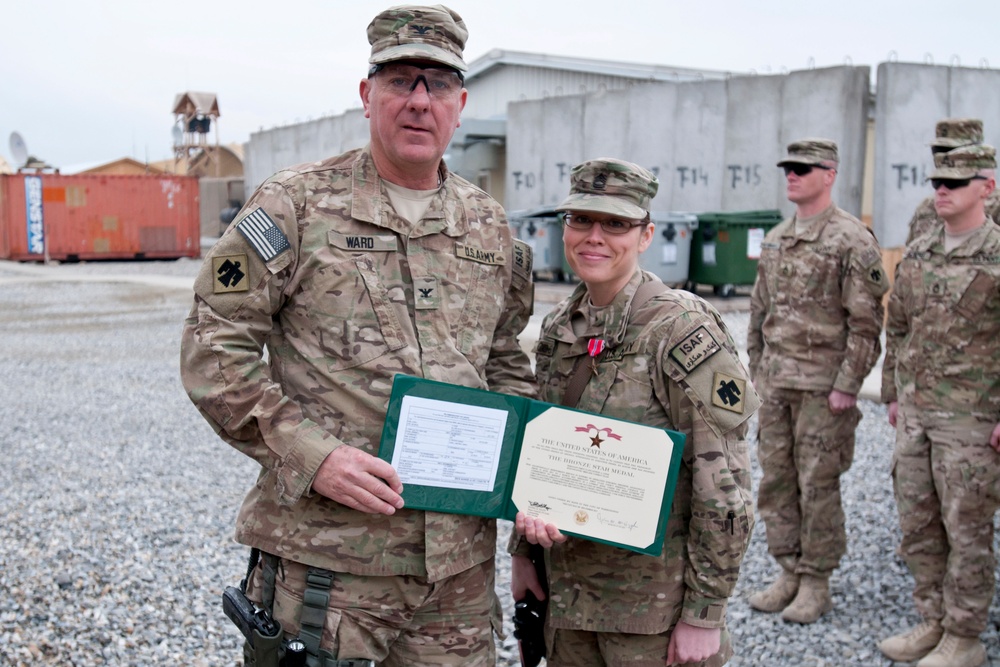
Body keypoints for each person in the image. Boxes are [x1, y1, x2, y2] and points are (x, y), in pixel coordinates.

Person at [179, 5, 537, 666]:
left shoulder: (491, 228)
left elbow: (505, 360)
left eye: (437, 83)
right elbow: (213, 346)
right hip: (331, 569)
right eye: (401, 80)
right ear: (368, 95)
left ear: (461, 103)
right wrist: (313, 454)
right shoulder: (296, 205)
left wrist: (533, 483)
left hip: (455, 572)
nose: (419, 101)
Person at [509, 157, 759, 667]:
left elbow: (725, 481)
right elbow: (543, 450)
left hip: (651, 616)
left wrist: (703, 614)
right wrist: (522, 552)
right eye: (581, 220)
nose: (593, 236)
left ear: (645, 236)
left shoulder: (682, 330)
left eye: (615, 224)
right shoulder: (560, 327)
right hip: (569, 602)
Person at [746, 138, 888, 624]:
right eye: (788, 167)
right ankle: (788, 569)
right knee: (777, 483)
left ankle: (815, 581)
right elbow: (758, 314)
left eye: (804, 169)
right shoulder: (777, 236)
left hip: (824, 391)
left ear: (829, 174)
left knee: (818, 484)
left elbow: (867, 322)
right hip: (776, 386)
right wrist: (756, 372)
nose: (793, 175)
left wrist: (848, 385)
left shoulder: (852, 239)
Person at [878, 144, 1000, 667]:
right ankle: (933, 619)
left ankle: (965, 637)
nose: (942, 190)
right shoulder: (922, 251)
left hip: (973, 421)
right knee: (918, 524)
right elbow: (898, 325)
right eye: (937, 182)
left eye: (955, 181)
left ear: (986, 188)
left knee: (966, 528)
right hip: (918, 415)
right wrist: (891, 393)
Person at [905, 118, 1000, 245]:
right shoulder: (927, 208)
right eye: (938, 151)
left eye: (954, 152)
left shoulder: (996, 204)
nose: (944, 159)